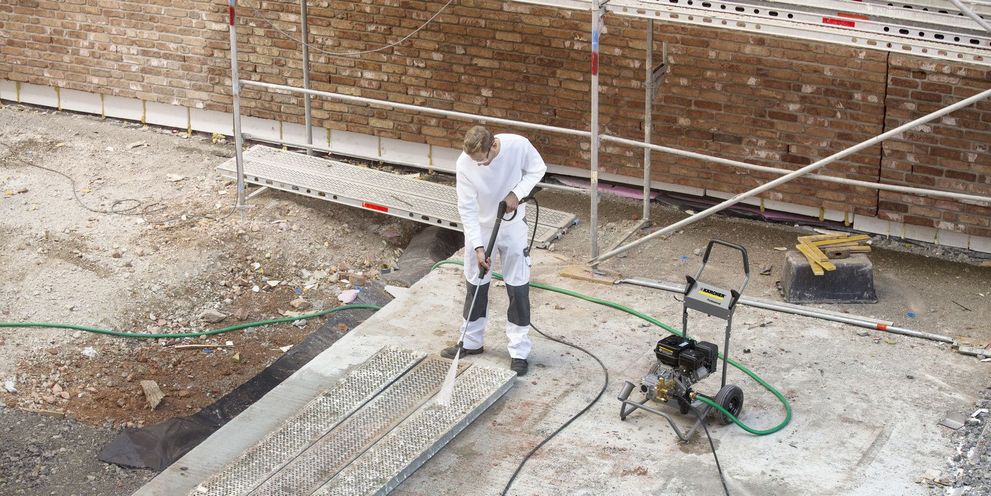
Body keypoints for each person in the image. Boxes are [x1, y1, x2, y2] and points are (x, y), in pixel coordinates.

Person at [440, 125, 546, 377]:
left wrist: (516, 194)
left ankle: (519, 351)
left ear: (494, 147)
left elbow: (537, 169)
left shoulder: (517, 145)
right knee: (475, 284)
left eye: (483, 161)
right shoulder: (464, 164)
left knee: (517, 285)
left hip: (512, 225)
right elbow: (466, 208)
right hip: (481, 226)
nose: (479, 165)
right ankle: (471, 342)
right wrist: (477, 246)